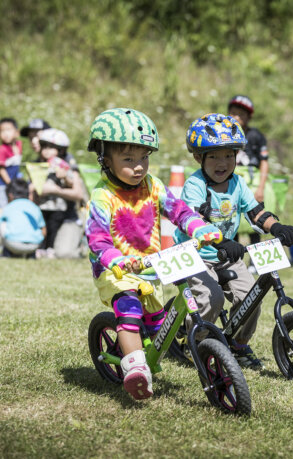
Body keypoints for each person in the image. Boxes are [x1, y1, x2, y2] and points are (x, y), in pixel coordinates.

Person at [85, 108, 222, 400]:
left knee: (160, 323)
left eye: (144, 157)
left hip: (151, 267)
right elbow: (97, 239)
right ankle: (135, 369)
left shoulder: (153, 185)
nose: (139, 167)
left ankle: (151, 351)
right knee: (130, 311)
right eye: (128, 159)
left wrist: (198, 227)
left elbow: (178, 210)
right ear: (105, 160)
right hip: (118, 271)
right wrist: (115, 259)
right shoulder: (103, 195)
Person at [174, 113, 293, 370]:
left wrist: (277, 227)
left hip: (226, 255)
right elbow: (195, 221)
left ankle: (239, 344)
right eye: (215, 156)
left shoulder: (238, 183)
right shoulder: (195, 185)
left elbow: (255, 213)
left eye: (229, 156)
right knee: (213, 299)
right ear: (199, 157)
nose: (223, 163)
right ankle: (194, 341)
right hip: (195, 255)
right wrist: (221, 243)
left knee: (251, 297)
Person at [32, 128, 86, 259]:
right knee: (45, 227)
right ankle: (43, 248)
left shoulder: (65, 164)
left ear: (61, 150)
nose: (46, 150)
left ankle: (81, 244)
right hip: (44, 208)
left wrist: (57, 187)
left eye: (51, 147)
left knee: (64, 253)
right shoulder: (37, 165)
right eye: (44, 146)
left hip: (66, 213)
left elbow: (78, 193)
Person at [227, 95, 271, 247]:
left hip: (252, 184)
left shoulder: (256, 136)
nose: (236, 117)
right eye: (233, 113)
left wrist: (261, 189)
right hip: (230, 184)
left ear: (249, 117)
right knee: (231, 221)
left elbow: (264, 162)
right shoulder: (223, 134)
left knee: (255, 221)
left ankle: (255, 260)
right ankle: (234, 259)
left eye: (241, 114)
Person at [0, 178, 46, 258]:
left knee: (3, 224)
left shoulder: (9, 206)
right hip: (34, 245)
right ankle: (31, 255)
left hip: (13, 245)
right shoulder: (35, 207)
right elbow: (44, 231)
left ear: (10, 195)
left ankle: (6, 253)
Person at [0, 117, 23, 208]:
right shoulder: (1, 150)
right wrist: (10, 184)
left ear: (17, 132)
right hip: (1, 185)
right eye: (2, 131)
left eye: (8, 130)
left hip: (13, 183)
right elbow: (1, 170)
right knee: (3, 207)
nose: (5, 134)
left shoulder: (19, 145)